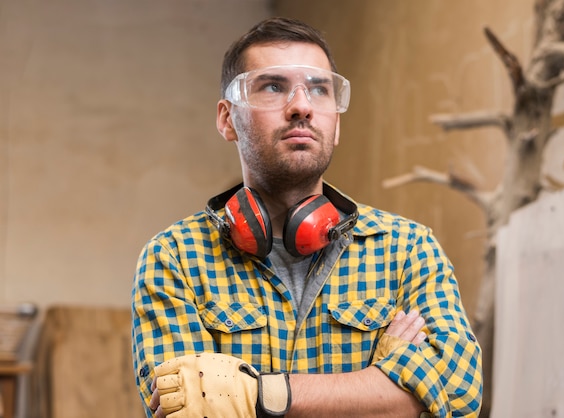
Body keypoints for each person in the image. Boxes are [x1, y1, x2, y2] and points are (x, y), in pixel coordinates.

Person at [131, 16, 482, 418]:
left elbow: (459, 393)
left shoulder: (407, 250)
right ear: (228, 120)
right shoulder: (175, 259)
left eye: (319, 89)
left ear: (336, 125)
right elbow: (187, 409)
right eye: (273, 86)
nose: (301, 106)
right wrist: (383, 389)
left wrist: (261, 396)